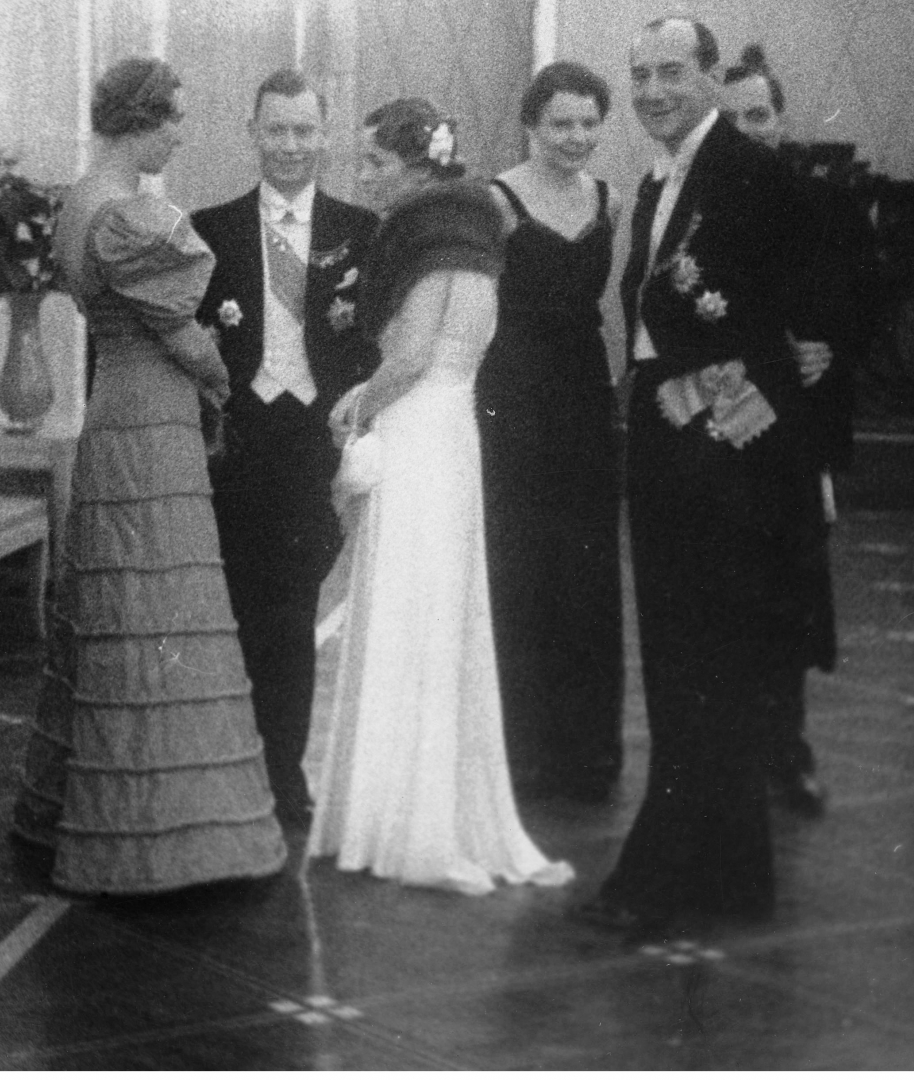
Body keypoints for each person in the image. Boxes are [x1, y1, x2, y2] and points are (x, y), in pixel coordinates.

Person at [13, 58, 287, 894]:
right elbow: (180, 336)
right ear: (138, 119)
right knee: (160, 606)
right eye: (173, 119)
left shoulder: (77, 202)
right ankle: (154, 841)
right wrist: (222, 374)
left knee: (122, 607)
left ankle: (88, 814)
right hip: (149, 421)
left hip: (116, 409)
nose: (180, 134)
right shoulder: (128, 213)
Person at [574, 17, 818, 938]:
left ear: (712, 75)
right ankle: (730, 876)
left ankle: (663, 878)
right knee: (686, 664)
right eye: (639, 75)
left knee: (701, 663)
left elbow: (793, 307)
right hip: (665, 435)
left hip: (722, 451)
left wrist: (721, 401)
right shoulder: (658, 177)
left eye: (671, 71)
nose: (651, 91)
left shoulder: (752, 175)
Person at [302, 98, 574, 895]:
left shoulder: (427, 237)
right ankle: (416, 815)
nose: (364, 177)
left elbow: (413, 354)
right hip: (450, 432)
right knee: (436, 614)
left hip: (417, 428)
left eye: (376, 163)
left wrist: (357, 404)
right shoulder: (473, 238)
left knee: (407, 615)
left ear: (418, 166)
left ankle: (403, 825)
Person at [192, 70, 380, 828]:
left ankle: (283, 770)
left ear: (326, 135)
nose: (292, 145)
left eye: (305, 130)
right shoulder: (210, 230)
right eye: (277, 129)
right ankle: (230, 768)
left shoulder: (361, 231)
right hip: (238, 443)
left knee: (294, 611)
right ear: (252, 133)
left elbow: (375, 338)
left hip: (314, 440)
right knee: (236, 610)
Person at [722, 44, 877, 819]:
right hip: (717, 425)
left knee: (787, 596)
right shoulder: (696, 202)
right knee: (717, 594)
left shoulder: (825, 206)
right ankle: (719, 756)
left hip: (795, 433)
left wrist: (828, 347)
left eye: (758, 115)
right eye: (732, 120)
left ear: (780, 121)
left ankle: (786, 748)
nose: (747, 131)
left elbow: (864, 299)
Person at [476, 62, 625, 804]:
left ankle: (585, 753)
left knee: (586, 569)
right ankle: (521, 753)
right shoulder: (494, 201)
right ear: (531, 124)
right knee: (519, 566)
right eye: (561, 122)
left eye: (588, 123)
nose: (575, 137)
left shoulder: (609, 199)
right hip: (512, 400)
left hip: (583, 399)